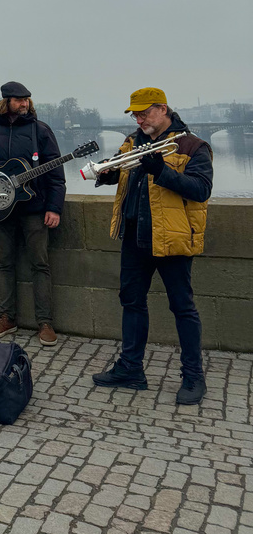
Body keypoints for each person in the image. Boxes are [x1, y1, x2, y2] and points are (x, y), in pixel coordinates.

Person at [92, 88, 213, 405]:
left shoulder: (192, 145)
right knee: (131, 302)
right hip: (134, 236)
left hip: (172, 238)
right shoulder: (133, 141)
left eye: (143, 112)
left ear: (163, 109)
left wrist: (161, 170)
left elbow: (201, 190)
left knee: (183, 309)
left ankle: (193, 377)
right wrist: (107, 173)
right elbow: (124, 175)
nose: (138, 118)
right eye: (134, 114)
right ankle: (130, 369)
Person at [0, 81, 65, 347]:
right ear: (7, 102)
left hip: (34, 210)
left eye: (27, 99)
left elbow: (56, 175)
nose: (25, 103)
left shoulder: (40, 130)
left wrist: (54, 207)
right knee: (4, 264)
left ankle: (45, 322)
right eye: (19, 100)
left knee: (40, 265)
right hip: (0, 211)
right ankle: (7, 318)